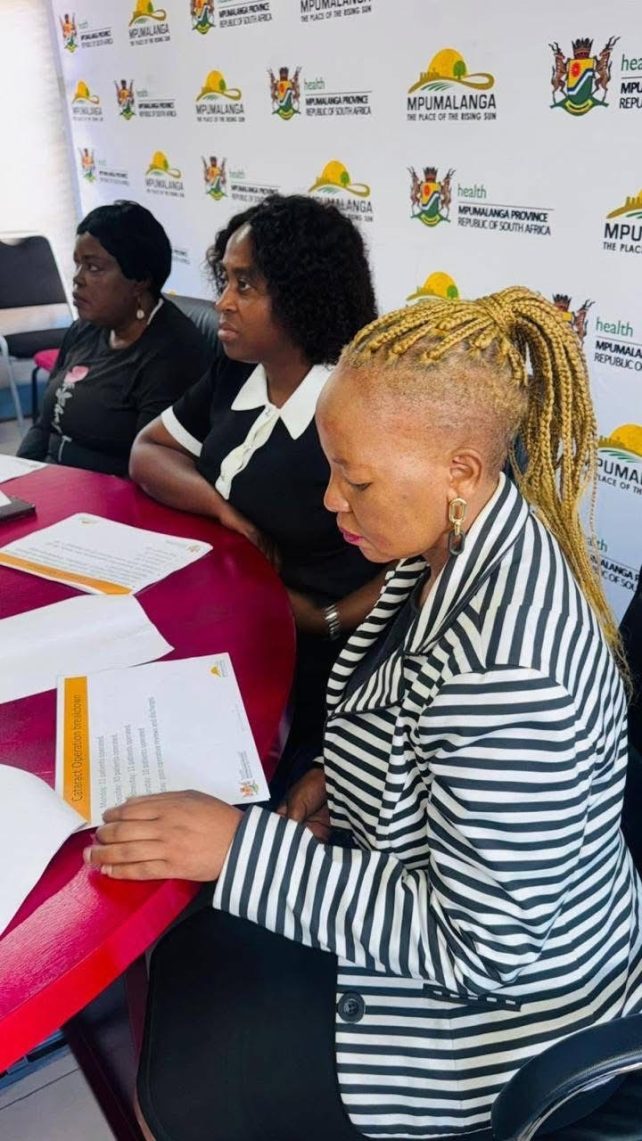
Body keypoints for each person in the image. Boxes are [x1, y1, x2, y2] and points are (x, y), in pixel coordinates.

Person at [87, 287, 642, 1140]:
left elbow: (482, 949)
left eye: (356, 478)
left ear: (461, 468)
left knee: (186, 1084)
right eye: (331, 468)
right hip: (446, 918)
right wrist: (333, 777)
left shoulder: (512, 674)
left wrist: (240, 848)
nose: (331, 502)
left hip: (491, 1031)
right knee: (193, 967)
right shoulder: (456, 535)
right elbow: (410, 715)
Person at [129, 194, 383, 772]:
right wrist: (222, 509)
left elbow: (425, 554)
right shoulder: (238, 370)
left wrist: (330, 618)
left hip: (321, 661)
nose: (222, 303)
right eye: (226, 281)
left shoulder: (359, 405)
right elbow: (148, 451)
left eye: (245, 286)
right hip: (231, 611)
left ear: (301, 297)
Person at [18, 201, 210, 476]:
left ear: (139, 280)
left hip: (107, 504)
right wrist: (21, 480)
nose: (78, 279)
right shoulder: (85, 329)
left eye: (94, 268)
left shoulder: (174, 353)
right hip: (53, 483)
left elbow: (150, 468)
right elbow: (42, 426)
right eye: (78, 265)